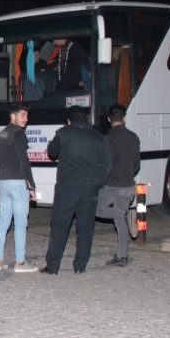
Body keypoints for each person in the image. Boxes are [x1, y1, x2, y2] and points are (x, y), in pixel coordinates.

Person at [41, 106, 111, 275]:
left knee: (59, 225)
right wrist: (98, 183)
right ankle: (80, 265)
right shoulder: (97, 135)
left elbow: (52, 152)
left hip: (67, 187)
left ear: (68, 120)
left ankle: (53, 265)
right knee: (85, 227)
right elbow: (106, 163)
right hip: (89, 188)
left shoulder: (63, 133)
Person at [0, 104, 39, 272]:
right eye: (23, 115)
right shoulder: (18, 134)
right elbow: (23, 161)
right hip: (18, 181)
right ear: (13, 117)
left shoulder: (0, 135)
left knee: (3, 221)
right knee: (20, 223)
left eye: (27, 116)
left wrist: (2, 175)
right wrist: (31, 185)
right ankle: (20, 262)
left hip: (4, 181)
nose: (26, 119)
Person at [96, 104, 141, 267]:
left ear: (109, 119)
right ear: (124, 118)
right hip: (129, 185)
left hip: (113, 185)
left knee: (95, 208)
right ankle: (122, 256)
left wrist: (101, 181)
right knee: (119, 219)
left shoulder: (108, 138)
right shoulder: (134, 137)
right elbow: (136, 164)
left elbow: (106, 164)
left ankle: (122, 216)